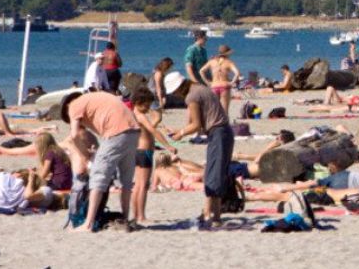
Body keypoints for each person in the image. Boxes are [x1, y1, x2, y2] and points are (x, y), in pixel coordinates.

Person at [61, 90, 139, 231]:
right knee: (125, 181)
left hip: (116, 132)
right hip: (134, 131)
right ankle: (125, 218)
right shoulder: (94, 99)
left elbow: (74, 135)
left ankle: (88, 223)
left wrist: (84, 155)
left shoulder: (73, 106)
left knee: (97, 179)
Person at [168, 75, 233, 229]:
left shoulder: (192, 96)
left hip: (218, 133)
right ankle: (214, 215)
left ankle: (209, 214)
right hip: (223, 132)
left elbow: (195, 125)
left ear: (179, 88)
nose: (176, 95)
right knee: (216, 172)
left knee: (212, 174)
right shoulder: (200, 88)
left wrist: (181, 134)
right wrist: (180, 130)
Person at [130, 87, 176, 227]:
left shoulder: (133, 114)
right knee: (143, 185)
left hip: (137, 151)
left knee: (138, 185)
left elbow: (145, 131)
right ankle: (141, 216)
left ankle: (136, 214)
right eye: (146, 105)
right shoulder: (141, 116)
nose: (148, 108)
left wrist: (156, 119)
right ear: (138, 102)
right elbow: (152, 131)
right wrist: (168, 146)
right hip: (145, 152)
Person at [200, 44, 240, 116]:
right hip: (224, 86)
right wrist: (232, 82)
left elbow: (201, 71)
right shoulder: (229, 62)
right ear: (227, 53)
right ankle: (225, 126)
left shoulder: (212, 62)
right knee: (224, 111)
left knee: (214, 110)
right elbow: (237, 73)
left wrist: (207, 82)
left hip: (214, 86)